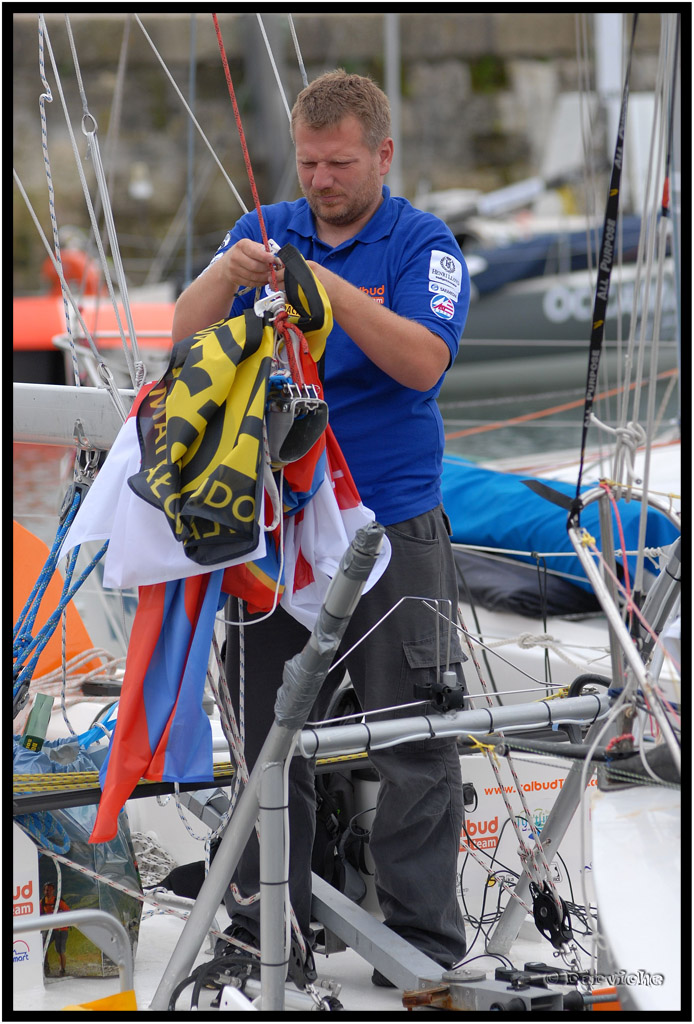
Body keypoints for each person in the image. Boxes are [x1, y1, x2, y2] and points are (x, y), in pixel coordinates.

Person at [172, 69, 470, 985]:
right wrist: (229, 271)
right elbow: (182, 338)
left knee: (415, 733)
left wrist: (332, 293)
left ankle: (422, 943)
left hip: (391, 527)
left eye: (339, 163)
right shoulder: (265, 229)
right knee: (270, 737)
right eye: (308, 163)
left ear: (382, 154)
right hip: (280, 527)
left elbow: (423, 364)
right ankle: (276, 931)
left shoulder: (426, 245)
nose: (322, 180)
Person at [40, 881, 70, 976]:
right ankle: (46, 966)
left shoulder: (58, 901)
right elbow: (39, 913)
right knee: (43, 947)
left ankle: (62, 969)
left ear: (53, 890)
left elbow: (67, 911)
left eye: (48, 890)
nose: (46, 892)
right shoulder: (42, 902)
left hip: (61, 929)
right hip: (49, 928)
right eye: (45, 890)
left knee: (60, 950)